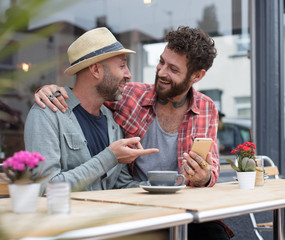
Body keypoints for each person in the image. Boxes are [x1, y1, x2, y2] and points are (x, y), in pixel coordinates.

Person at [34, 26, 234, 239]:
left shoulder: (206, 108)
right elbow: (88, 92)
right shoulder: (128, 96)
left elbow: (211, 170)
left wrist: (203, 178)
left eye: (173, 69)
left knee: (215, 234)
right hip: (137, 208)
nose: (161, 72)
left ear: (197, 75)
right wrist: (49, 91)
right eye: (161, 61)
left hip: (182, 208)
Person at [25, 27, 159, 193]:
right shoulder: (47, 114)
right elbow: (45, 187)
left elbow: (122, 185)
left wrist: (161, 189)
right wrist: (110, 157)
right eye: (122, 66)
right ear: (96, 70)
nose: (129, 74)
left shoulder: (112, 122)